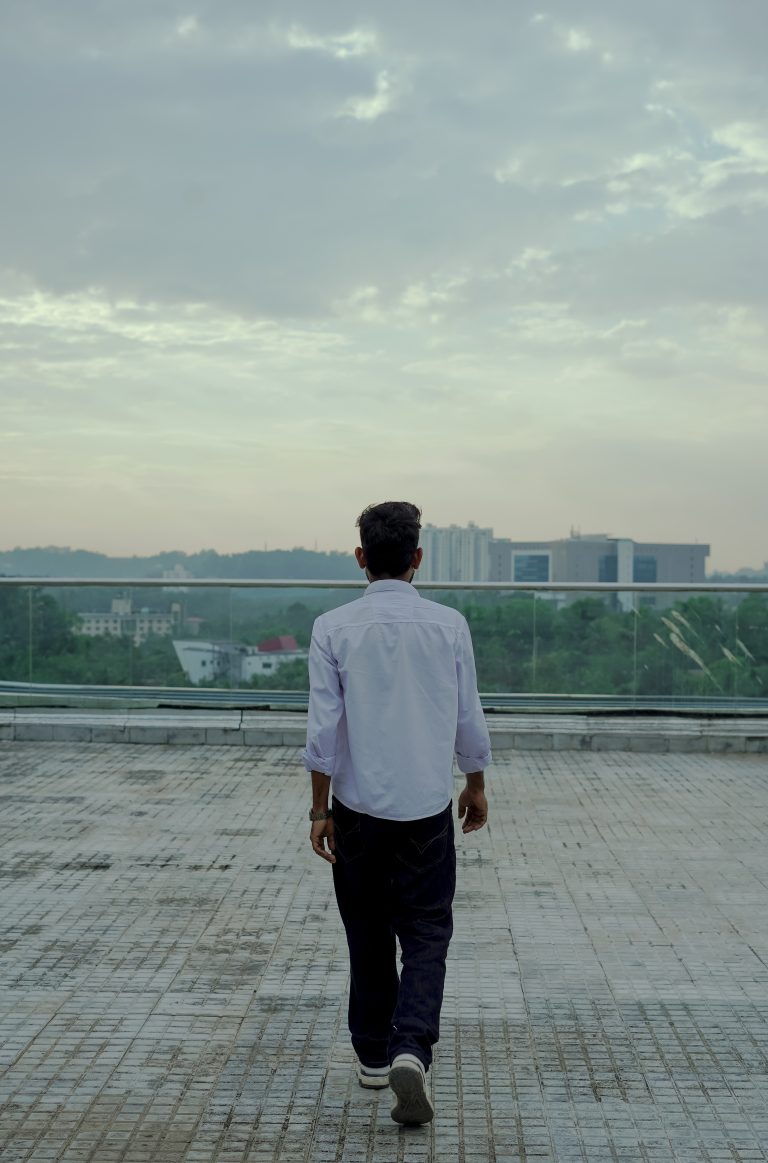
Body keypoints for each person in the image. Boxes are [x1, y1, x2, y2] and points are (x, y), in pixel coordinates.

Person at [303, 501, 491, 1126]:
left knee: (367, 927)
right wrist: (476, 784)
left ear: (361, 557)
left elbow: (324, 729)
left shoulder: (333, 628)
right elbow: (467, 714)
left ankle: (374, 1056)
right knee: (428, 932)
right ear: (416, 558)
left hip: (357, 809)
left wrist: (318, 809)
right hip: (426, 807)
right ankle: (413, 1046)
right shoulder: (448, 625)